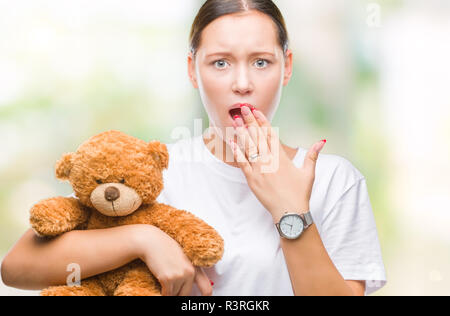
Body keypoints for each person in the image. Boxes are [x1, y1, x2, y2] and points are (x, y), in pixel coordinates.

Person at [0, 0, 386, 296]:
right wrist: (143, 239)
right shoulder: (153, 170)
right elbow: (17, 268)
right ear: (192, 69)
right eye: (220, 63)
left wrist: (290, 211)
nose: (241, 83)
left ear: (286, 67)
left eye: (261, 62)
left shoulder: (335, 180)